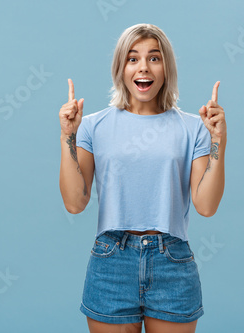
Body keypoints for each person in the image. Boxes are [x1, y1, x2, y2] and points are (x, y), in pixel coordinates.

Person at [58, 23, 226, 333]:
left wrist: (218, 141)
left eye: (154, 58)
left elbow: (206, 206)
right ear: (120, 68)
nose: (143, 68)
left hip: (172, 261)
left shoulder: (193, 128)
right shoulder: (94, 126)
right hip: (111, 261)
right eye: (132, 58)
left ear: (166, 67)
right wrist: (67, 136)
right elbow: (74, 202)